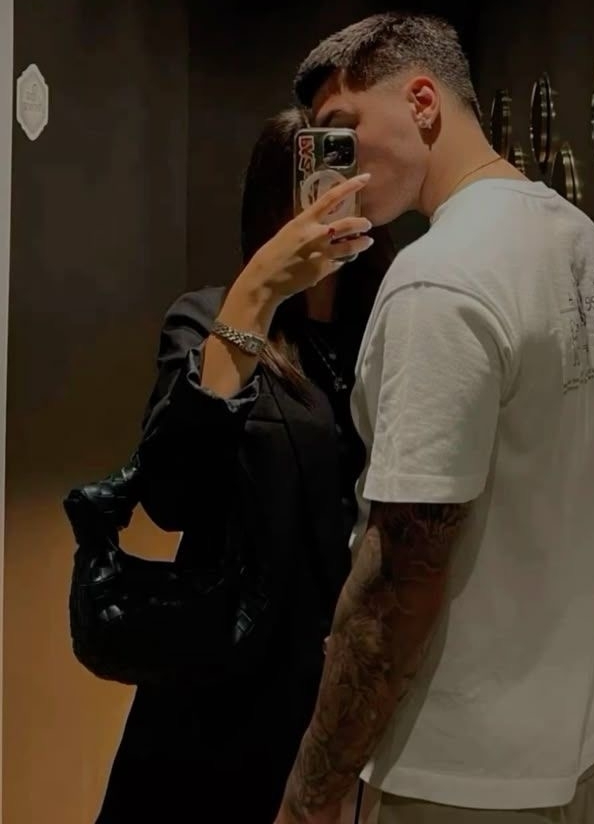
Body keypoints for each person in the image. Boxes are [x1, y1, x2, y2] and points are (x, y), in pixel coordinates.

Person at [273, 13, 594, 824]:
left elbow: (397, 580)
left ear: (423, 101)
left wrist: (310, 796)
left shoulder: (438, 281)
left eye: (343, 127)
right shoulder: (575, 234)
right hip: (586, 726)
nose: (335, 160)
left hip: (464, 773)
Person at [96, 108, 392, 824]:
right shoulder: (207, 321)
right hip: (219, 700)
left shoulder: (390, 325)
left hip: (347, 690)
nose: (329, 197)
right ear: (271, 203)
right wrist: (256, 296)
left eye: (345, 176)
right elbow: (170, 495)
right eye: (312, 181)